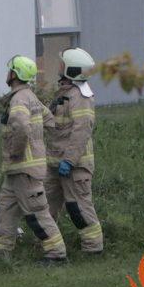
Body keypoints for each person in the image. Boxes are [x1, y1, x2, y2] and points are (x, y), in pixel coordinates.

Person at [0, 55, 67, 262]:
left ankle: (57, 255)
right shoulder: (30, 97)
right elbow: (50, 121)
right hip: (16, 172)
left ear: (14, 74)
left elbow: (22, 127)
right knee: (4, 214)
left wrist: (16, 152)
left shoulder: (19, 100)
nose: (7, 73)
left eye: (10, 70)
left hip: (24, 170)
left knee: (37, 214)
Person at [44, 48, 103, 254]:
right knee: (45, 209)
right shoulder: (64, 93)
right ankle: (49, 249)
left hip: (74, 165)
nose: (59, 68)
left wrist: (68, 160)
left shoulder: (80, 96)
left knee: (79, 209)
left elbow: (81, 130)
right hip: (54, 163)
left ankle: (93, 249)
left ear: (71, 69)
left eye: (62, 64)